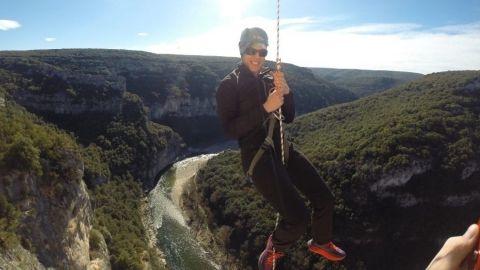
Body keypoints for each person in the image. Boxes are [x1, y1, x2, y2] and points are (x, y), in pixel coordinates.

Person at [215, 27, 346, 270]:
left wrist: (287, 92)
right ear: (242, 50)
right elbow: (230, 129)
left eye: (262, 51)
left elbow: (289, 116)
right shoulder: (229, 85)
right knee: (297, 218)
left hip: (283, 147)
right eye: (251, 50)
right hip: (258, 156)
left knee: (324, 198)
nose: (257, 56)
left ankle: (321, 241)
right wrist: (265, 108)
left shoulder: (268, 78)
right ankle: (273, 250)